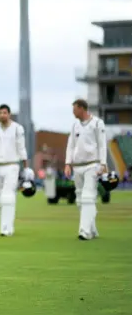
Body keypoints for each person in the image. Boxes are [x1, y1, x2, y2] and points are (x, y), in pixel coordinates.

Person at [64, 99, 107, 240]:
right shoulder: (75, 125)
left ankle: (84, 232)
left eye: (74, 109)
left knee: (88, 197)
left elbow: (102, 144)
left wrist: (103, 163)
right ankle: (92, 229)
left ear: (82, 108)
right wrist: (67, 163)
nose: (73, 112)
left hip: (92, 165)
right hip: (77, 166)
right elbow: (70, 145)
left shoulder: (97, 123)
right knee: (80, 200)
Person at [0, 104, 31, 237]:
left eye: (4, 113)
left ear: (9, 114)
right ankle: (4, 226)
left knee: (8, 196)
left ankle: (6, 228)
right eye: (0, 113)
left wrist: (26, 167)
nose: (2, 115)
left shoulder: (17, 129)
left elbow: (21, 148)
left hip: (12, 165)